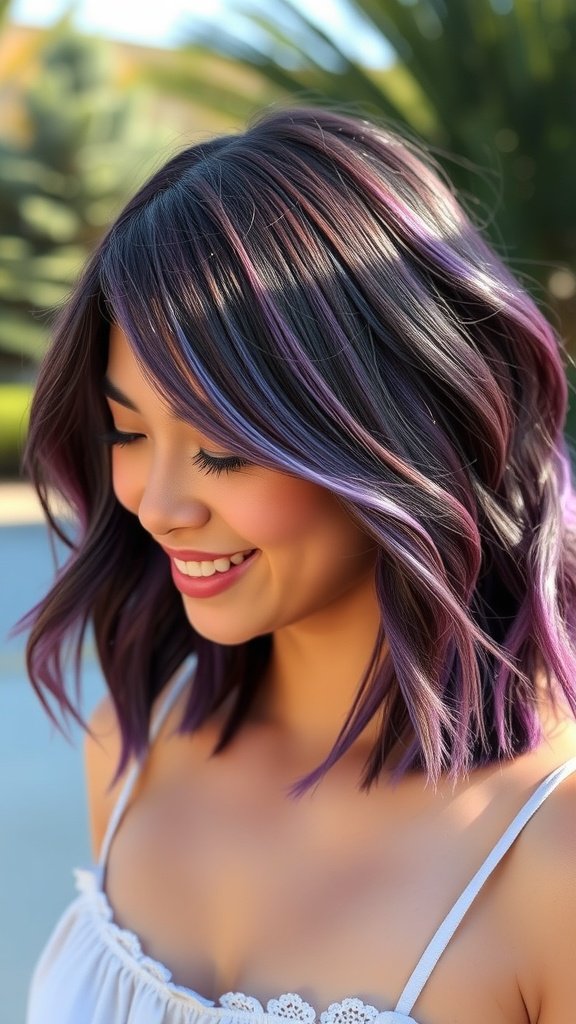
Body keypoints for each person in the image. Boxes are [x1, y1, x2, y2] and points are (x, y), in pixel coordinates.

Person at [23, 106, 576, 1024]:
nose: (157, 503)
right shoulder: (131, 749)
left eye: (224, 449)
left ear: (404, 431)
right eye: (128, 431)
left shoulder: (548, 857)